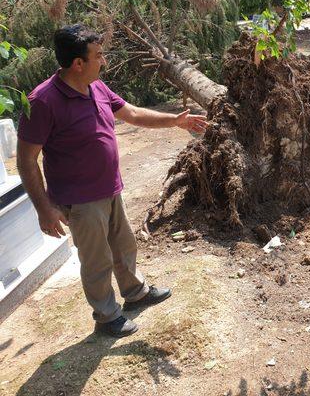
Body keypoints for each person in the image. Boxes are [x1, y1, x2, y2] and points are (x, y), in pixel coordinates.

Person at [17, 24, 208, 338]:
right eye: (98, 55)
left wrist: (175, 120)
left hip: (109, 188)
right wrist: (44, 209)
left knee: (123, 246)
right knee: (97, 260)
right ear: (78, 63)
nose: (103, 61)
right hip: (79, 199)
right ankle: (106, 317)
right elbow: (26, 160)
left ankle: (134, 293)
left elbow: (131, 113)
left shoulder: (95, 86)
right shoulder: (43, 101)